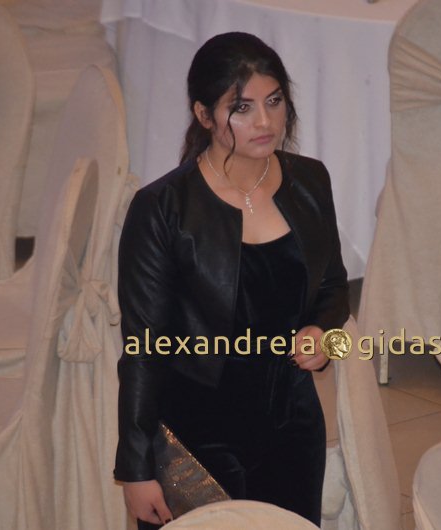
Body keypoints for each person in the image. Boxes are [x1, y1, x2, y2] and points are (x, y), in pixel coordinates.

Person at [113, 32, 350, 528]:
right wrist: (136, 468)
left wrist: (323, 334)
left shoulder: (310, 180)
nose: (265, 121)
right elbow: (142, 348)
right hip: (197, 435)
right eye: (241, 108)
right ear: (204, 115)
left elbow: (332, 287)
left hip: (293, 424)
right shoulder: (162, 208)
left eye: (274, 101)